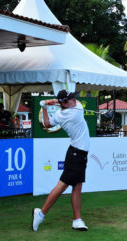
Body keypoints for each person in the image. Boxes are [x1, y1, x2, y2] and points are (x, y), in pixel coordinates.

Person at [32, 90, 90, 232]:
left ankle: (77, 219)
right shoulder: (76, 111)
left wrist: (44, 106)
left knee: (77, 185)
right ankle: (40, 214)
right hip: (76, 154)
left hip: (77, 153)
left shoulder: (59, 115)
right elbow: (61, 104)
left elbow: (46, 124)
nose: (75, 100)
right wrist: (50, 102)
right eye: (71, 99)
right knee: (62, 186)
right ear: (65, 103)